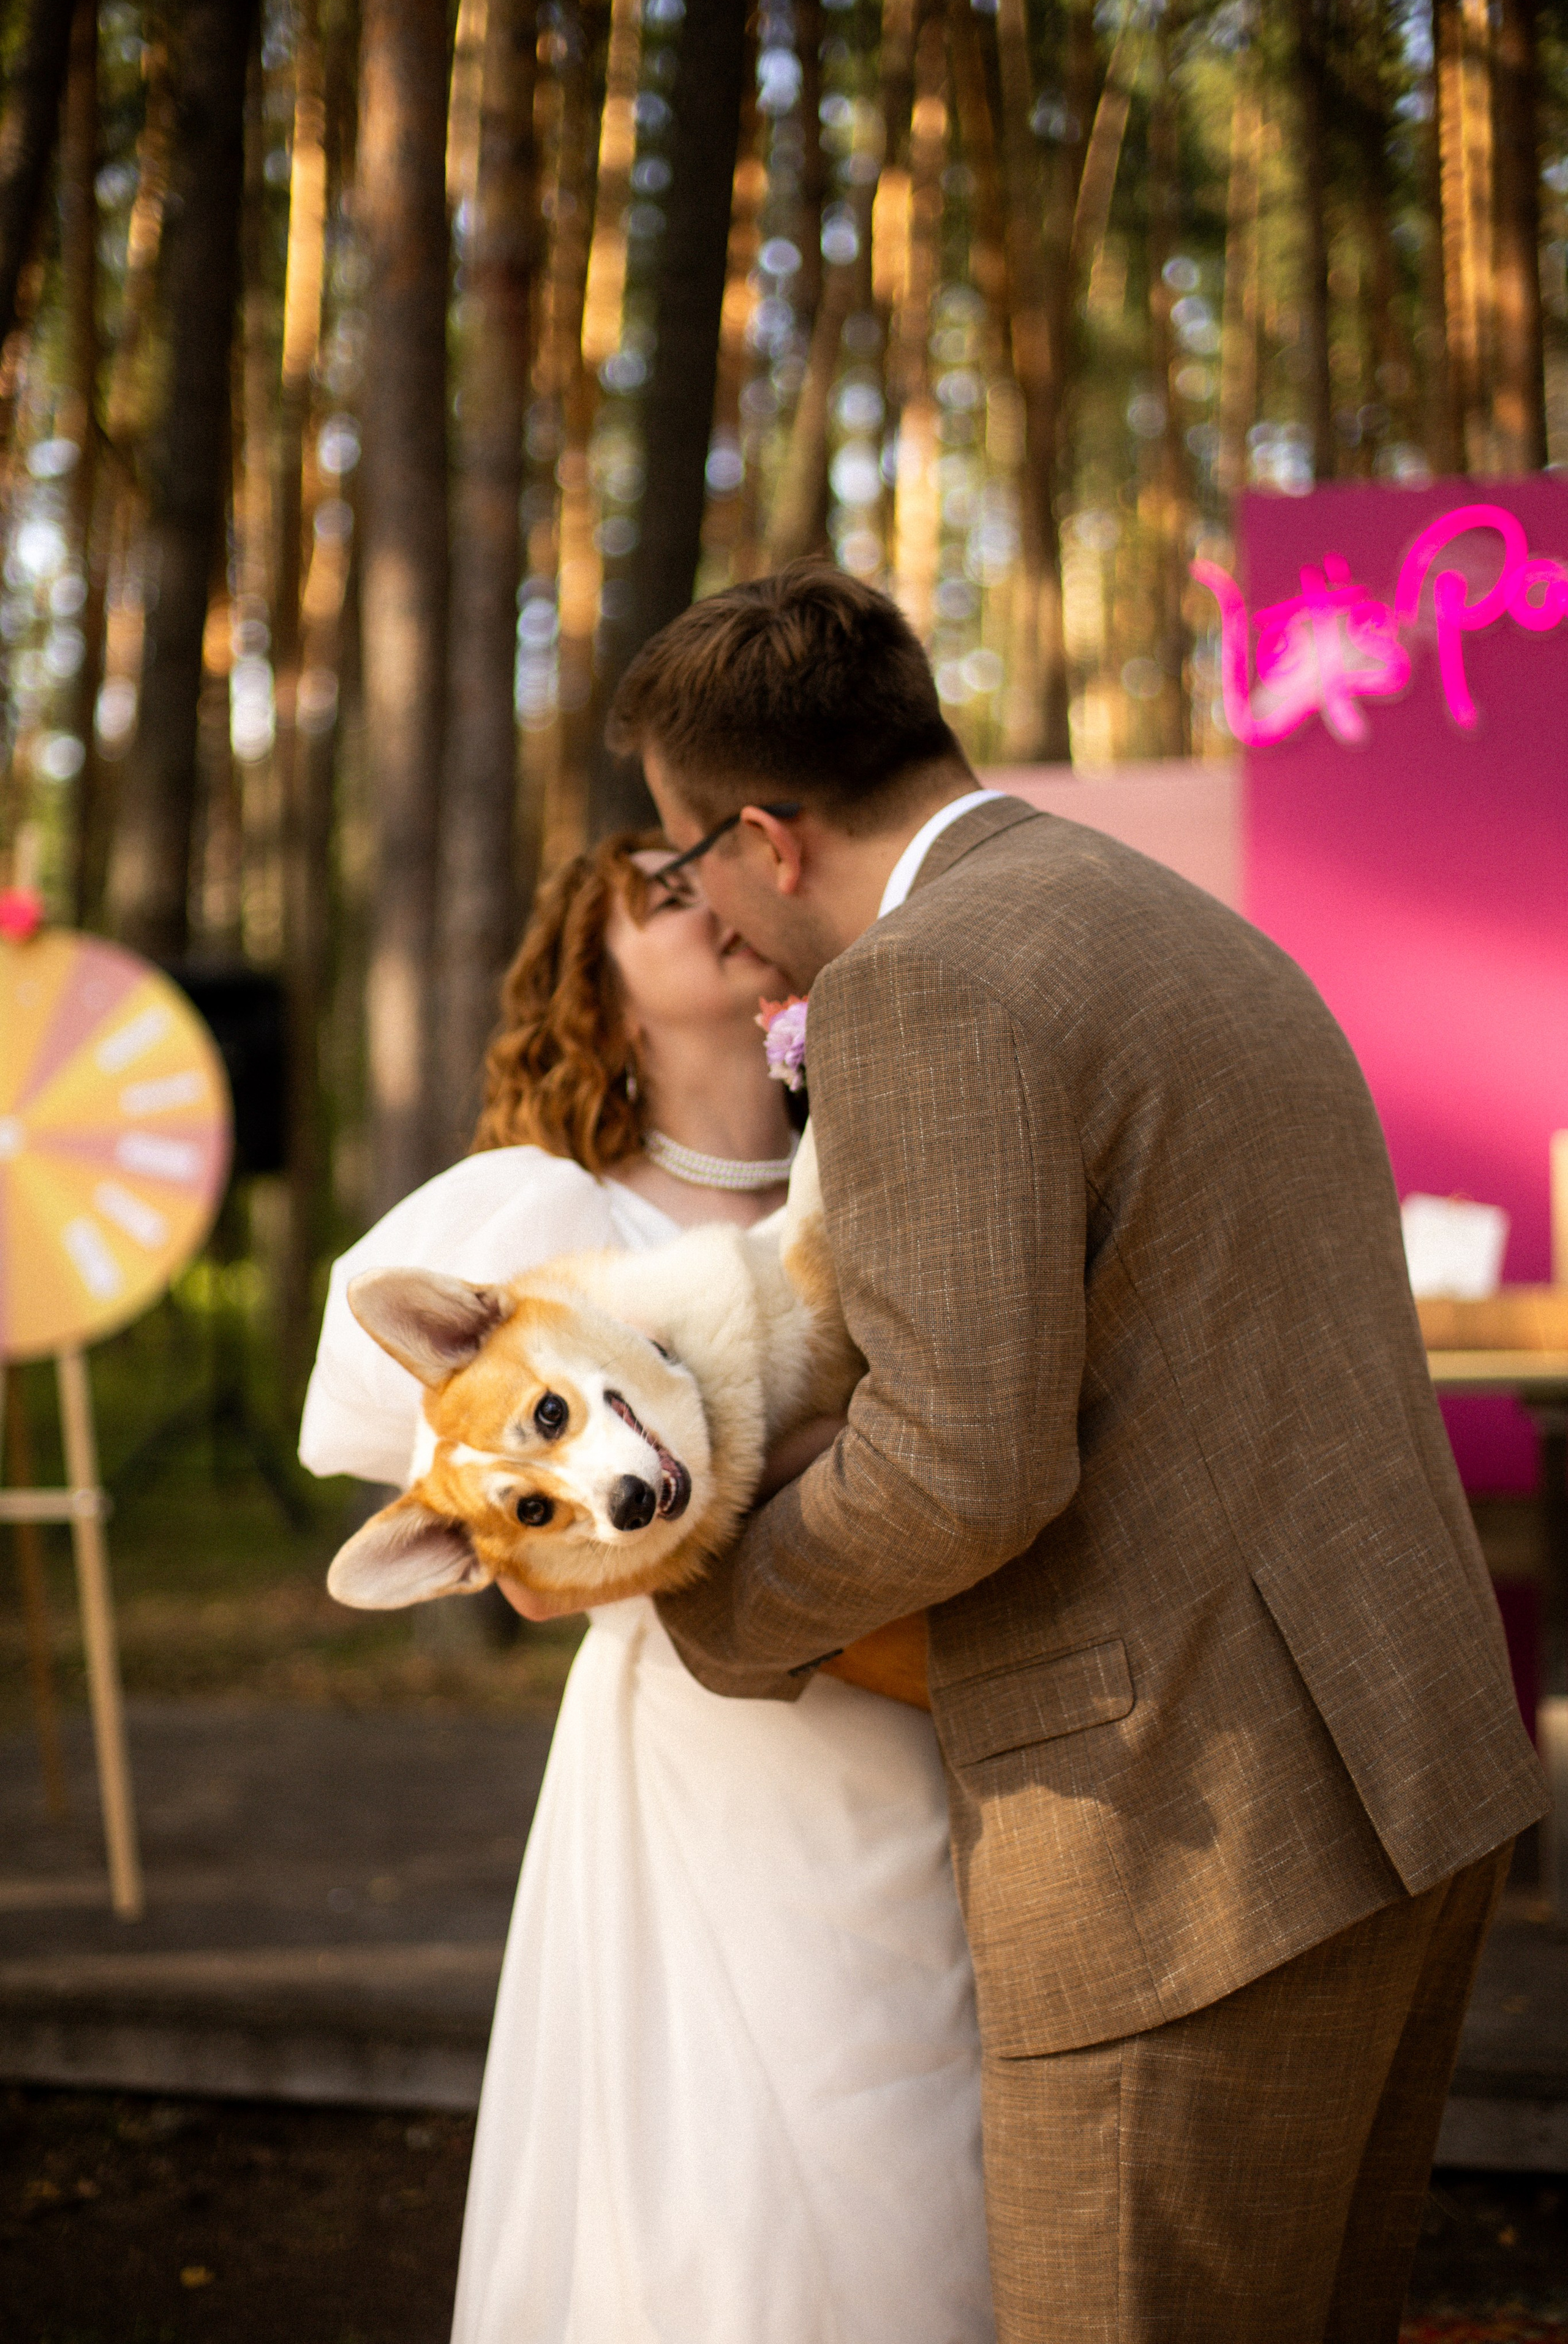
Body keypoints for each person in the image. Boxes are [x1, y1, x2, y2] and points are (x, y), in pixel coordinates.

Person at [595, 563, 1549, 2344]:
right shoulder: (1154, 913)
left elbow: (963, 1463)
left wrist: (706, 1602)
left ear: (764, 837)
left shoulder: (925, 988)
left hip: (1192, 1838)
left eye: (689, 861)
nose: (708, 911)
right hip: (1402, 1774)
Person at [298, 833, 995, 2344]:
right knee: (749, 2155)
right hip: (707, 1760)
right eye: (661, 901)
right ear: (598, 995)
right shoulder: (545, 1225)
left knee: (947, 2126)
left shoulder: (886, 1134)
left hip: (937, 1720)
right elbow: (392, 1434)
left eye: (714, 878)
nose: (710, 906)